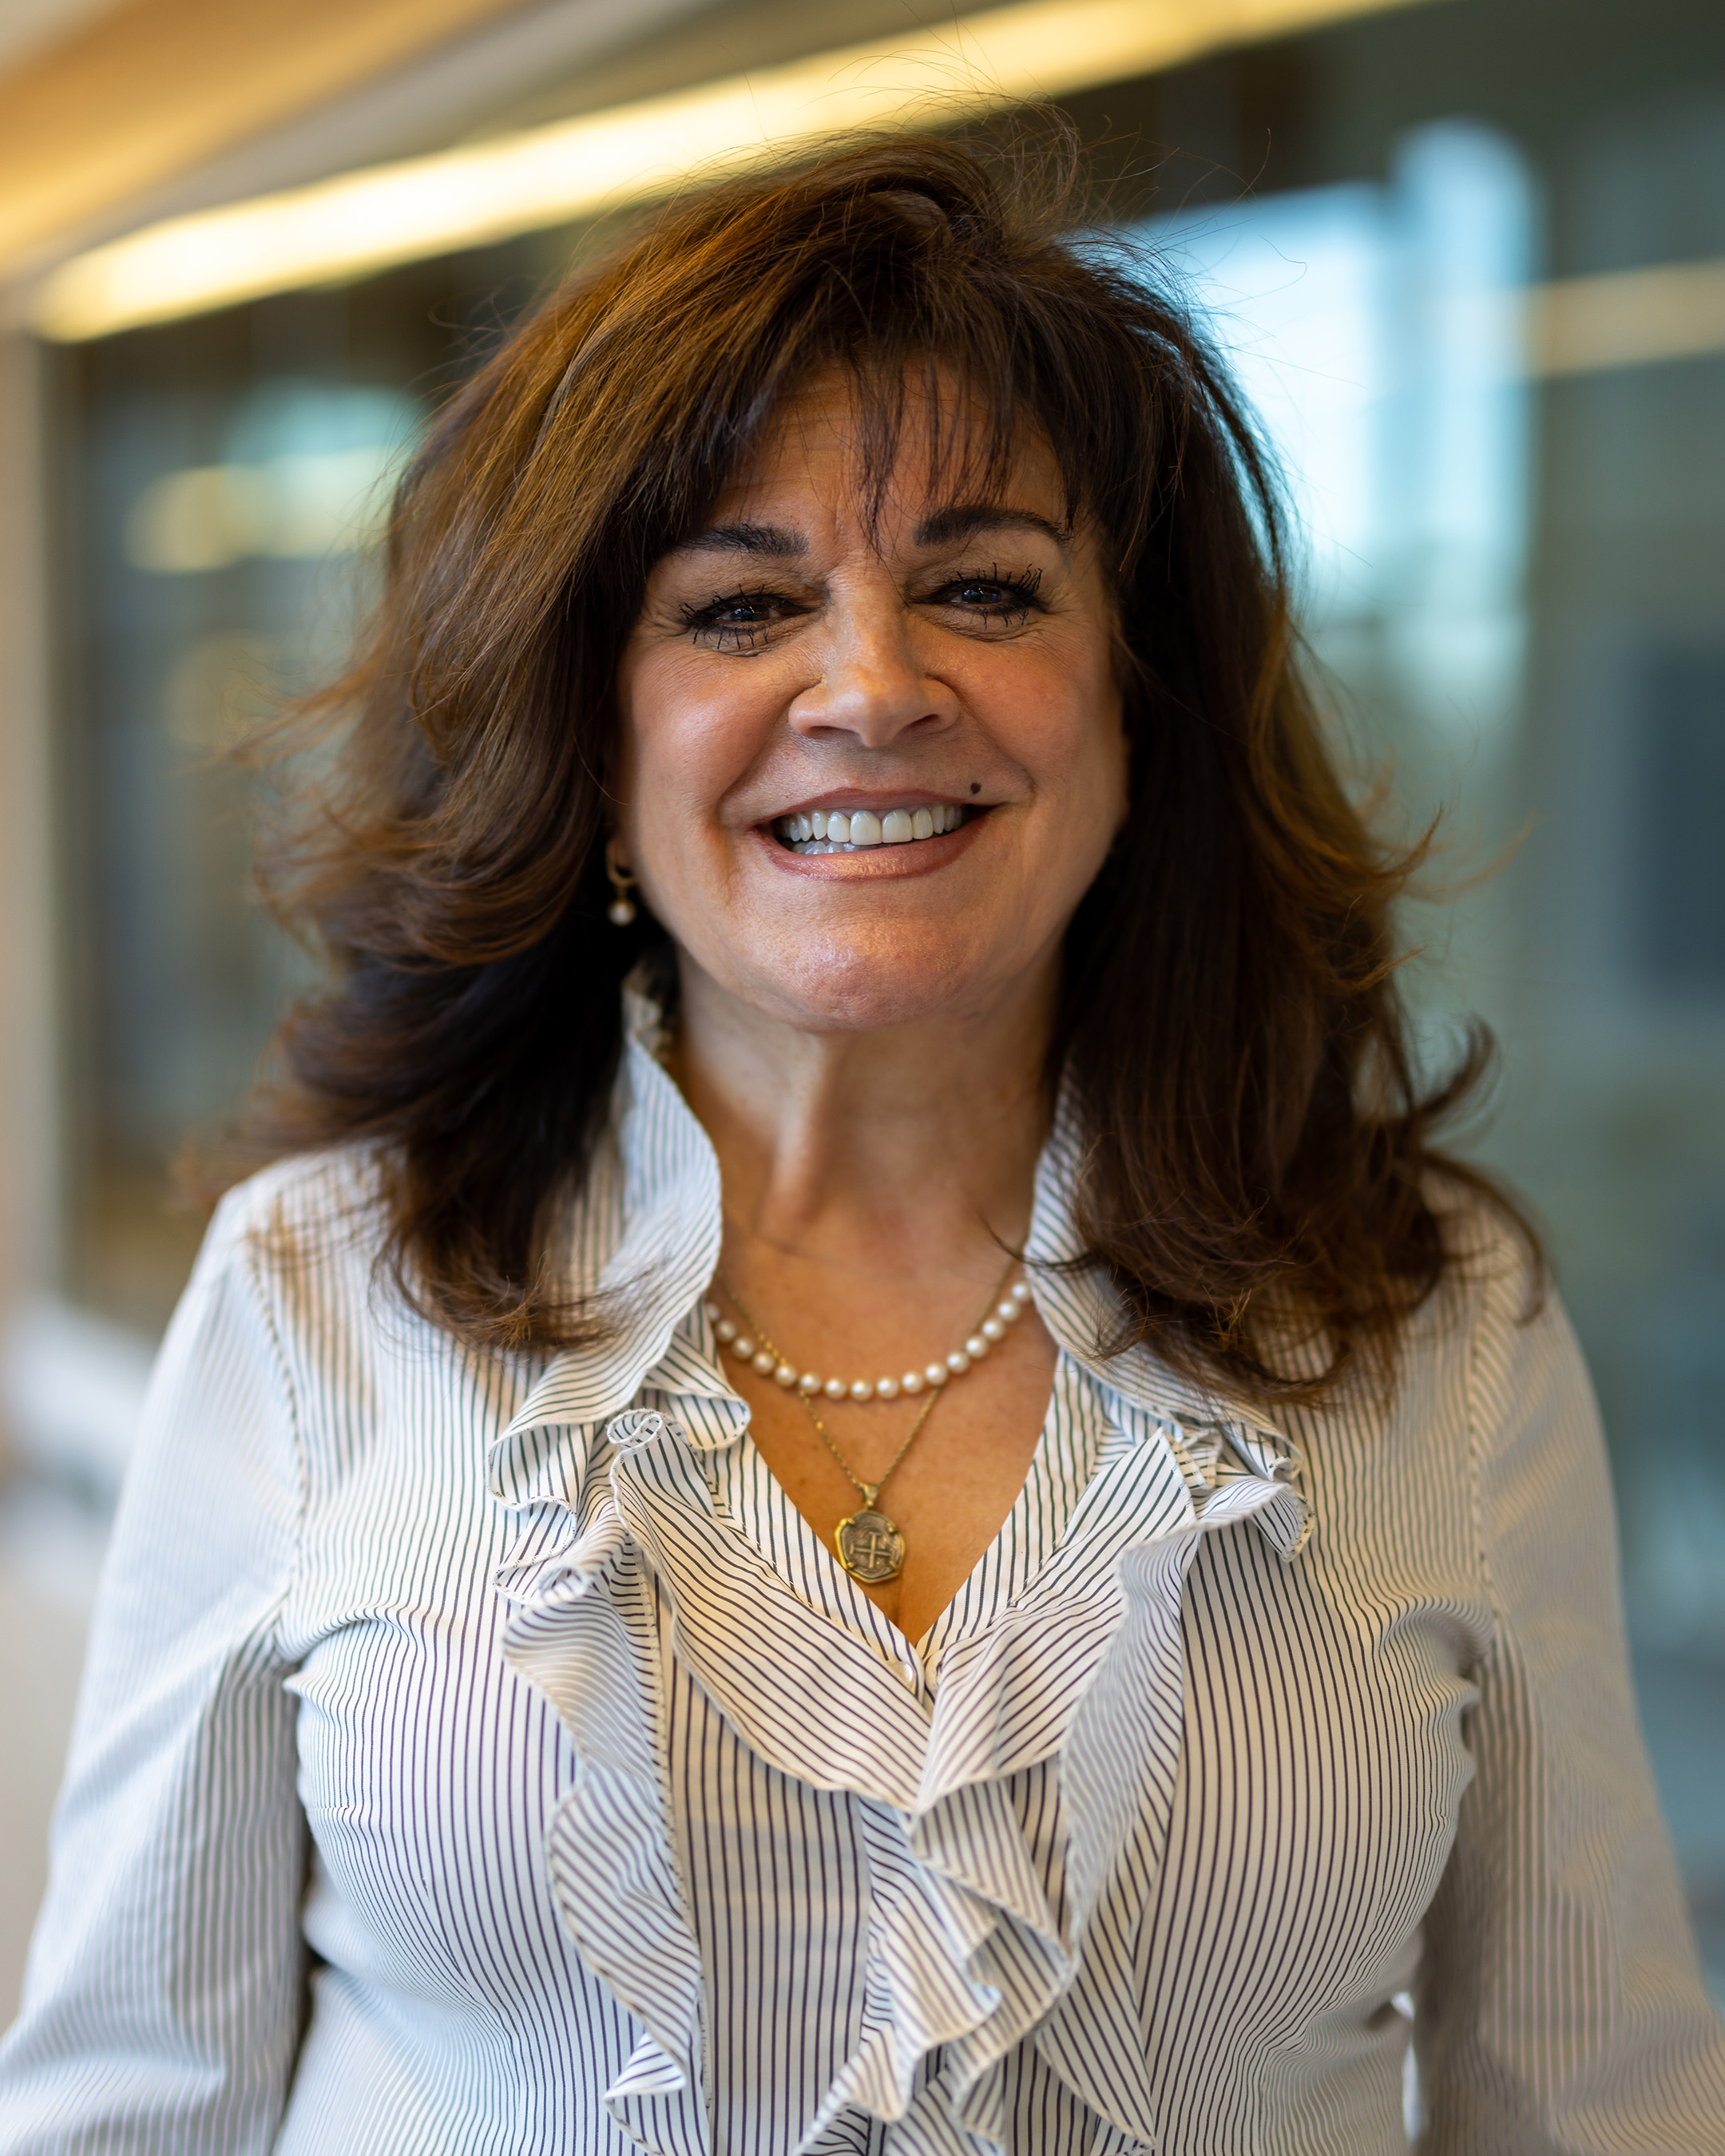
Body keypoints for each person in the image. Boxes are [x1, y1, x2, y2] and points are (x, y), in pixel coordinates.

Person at [2, 133, 1722, 2156]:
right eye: (739, 609)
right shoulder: (320, 1289)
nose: (874, 689)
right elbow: (132, 2105)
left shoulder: (1435, 1314)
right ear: (588, 733)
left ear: (1136, 707)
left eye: (985, 590)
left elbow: (1595, 2100)